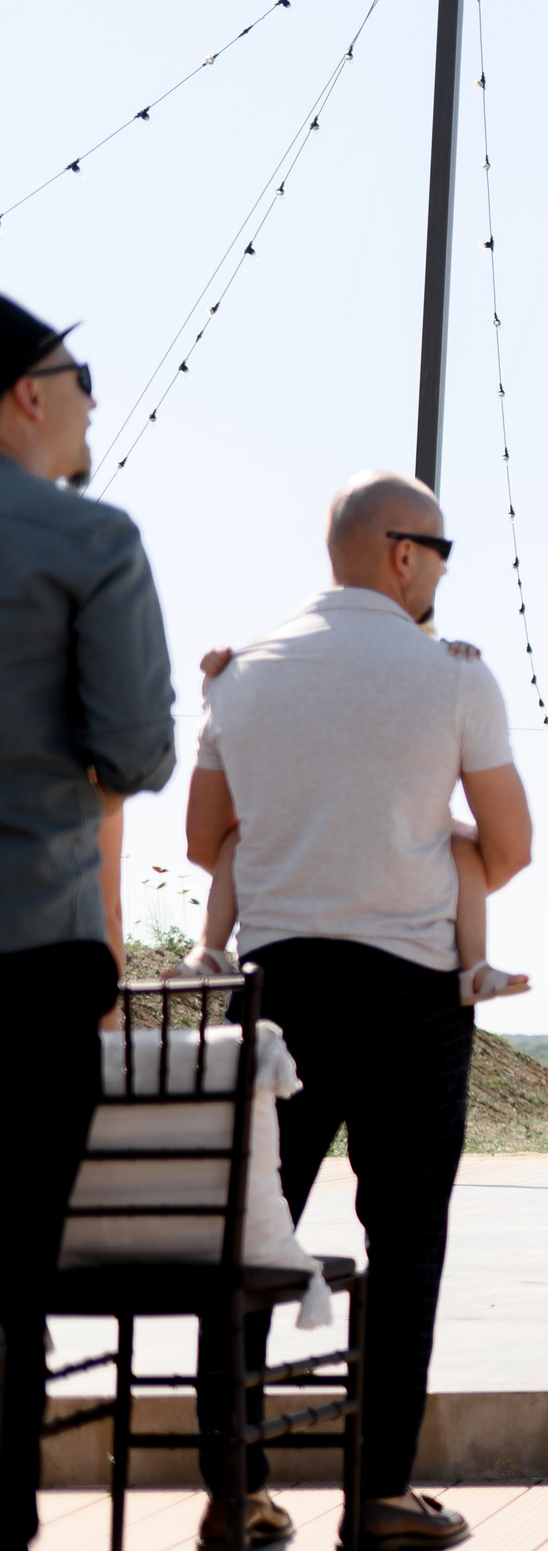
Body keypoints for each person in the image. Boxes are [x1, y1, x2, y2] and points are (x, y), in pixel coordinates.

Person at [184, 471, 532, 1551]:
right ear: (399, 553)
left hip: (274, 992)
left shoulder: (240, 677)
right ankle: (379, 1493)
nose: (440, 569)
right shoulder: (453, 679)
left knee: (245, 1240)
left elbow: (207, 841)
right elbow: (512, 846)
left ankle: (235, 1492)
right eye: (441, 549)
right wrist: (445, 857)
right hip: (409, 994)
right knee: (407, 1239)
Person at [0, 297, 174, 1551]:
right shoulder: (90, 542)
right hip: (30, 954)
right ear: (26, 394)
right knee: (14, 1275)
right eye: (81, 377)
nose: (92, 403)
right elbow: (136, 750)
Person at [176, 642, 526, 1001]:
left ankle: (475, 966)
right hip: (348, 855)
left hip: (378, 843)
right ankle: (210, 950)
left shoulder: (397, 696)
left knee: (461, 846)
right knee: (239, 840)